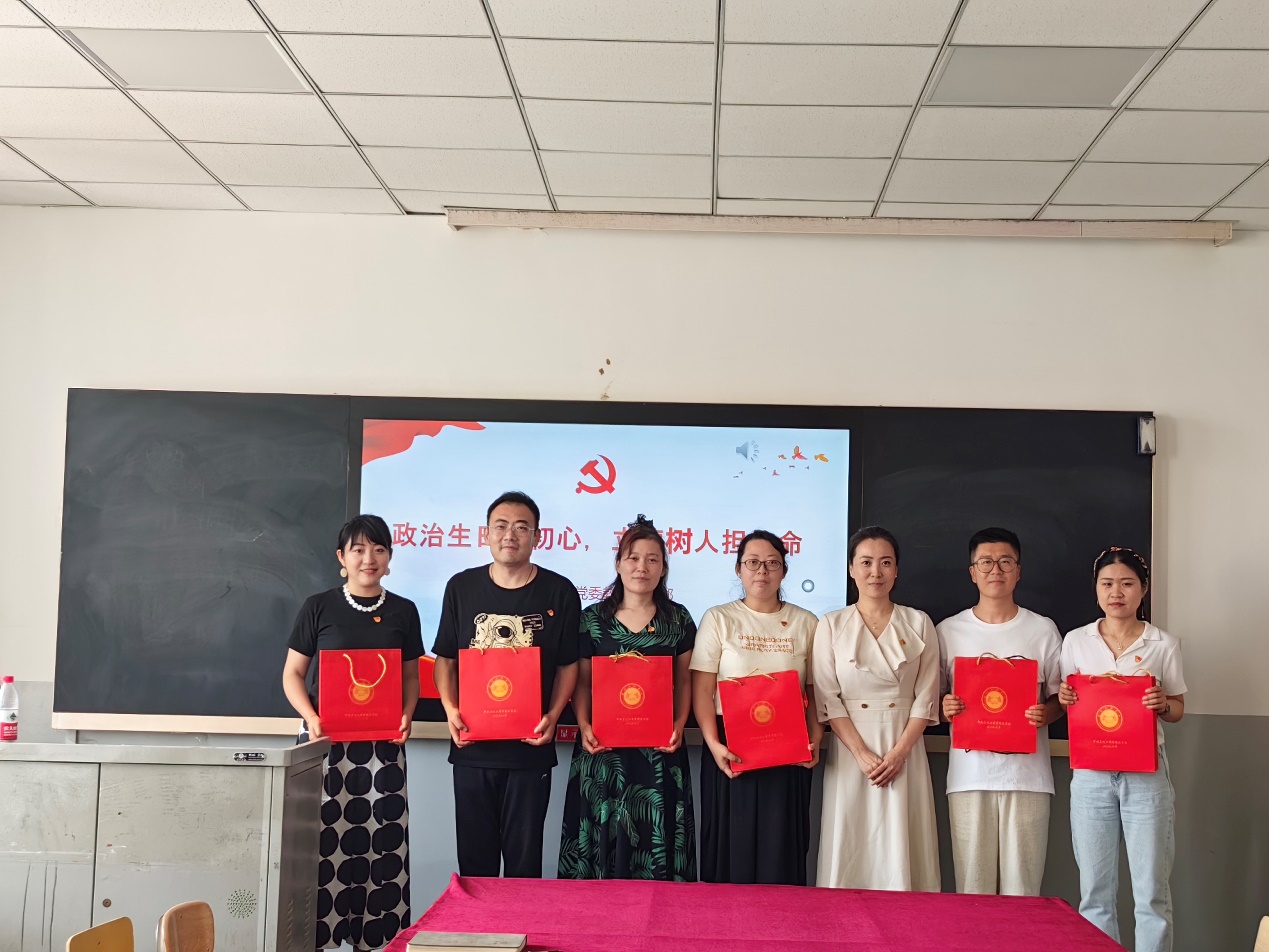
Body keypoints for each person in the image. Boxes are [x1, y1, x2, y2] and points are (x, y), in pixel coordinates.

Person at [282, 514, 422, 951]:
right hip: (326, 745)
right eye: (358, 550)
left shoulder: (404, 610)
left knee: (382, 842)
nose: (369, 558)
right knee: (322, 845)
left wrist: (407, 714)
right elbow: (292, 675)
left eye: (379, 549)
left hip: (383, 748)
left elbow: (411, 678)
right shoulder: (318, 606)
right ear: (341, 558)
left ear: (389, 558)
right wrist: (312, 717)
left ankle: (376, 941)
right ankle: (319, 939)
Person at [432, 491, 581, 878]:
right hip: (472, 749)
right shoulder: (461, 587)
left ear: (537, 536)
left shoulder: (559, 591)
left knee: (524, 867)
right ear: (486, 534)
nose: (509, 535)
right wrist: (450, 709)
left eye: (521, 527)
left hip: (530, 752)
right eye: (500, 526)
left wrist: (553, 715)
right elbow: (446, 660)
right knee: (474, 867)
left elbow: (568, 665)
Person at [1059, 547, 1186, 952]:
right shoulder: (1076, 641)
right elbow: (1068, 697)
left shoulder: (1163, 643)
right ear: (1096, 589)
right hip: (1091, 775)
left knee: (1151, 893)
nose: (1117, 592)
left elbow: (1177, 708)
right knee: (1094, 892)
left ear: (1143, 589)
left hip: (1145, 774)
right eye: (1108, 583)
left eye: (1127, 583)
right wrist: (1064, 696)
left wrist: (1162, 703)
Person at [558, 515, 697, 881]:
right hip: (603, 751)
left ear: (664, 568)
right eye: (633, 558)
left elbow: (685, 681)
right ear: (618, 563)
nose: (642, 567)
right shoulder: (592, 619)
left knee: (656, 840)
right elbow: (582, 683)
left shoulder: (678, 619)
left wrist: (679, 723)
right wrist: (584, 725)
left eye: (652, 559)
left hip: (659, 752)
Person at [690, 529, 821, 885]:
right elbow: (702, 690)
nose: (762, 571)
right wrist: (713, 744)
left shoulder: (807, 622)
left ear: (784, 570)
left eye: (772, 563)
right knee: (732, 850)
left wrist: (816, 738)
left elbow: (816, 690)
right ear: (739, 569)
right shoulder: (719, 619)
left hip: (788, 748)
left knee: (782, 848)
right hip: (730, 748)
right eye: (752, 562)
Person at [813, 526, 940, 891]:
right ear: (851, 568)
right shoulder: (831, 624)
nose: (875, 572)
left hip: (904, 746)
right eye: (866, 562)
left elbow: (926, 696)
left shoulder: (918, 622)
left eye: (885, 563)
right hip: (851, 749)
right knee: (851, 842)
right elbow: (828, 697)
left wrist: (898, 754)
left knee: (902, 844)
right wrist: (861, 753)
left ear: (896, 570)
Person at [938, 527, 1063, 896]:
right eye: (986, 562)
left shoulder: (1043, 630)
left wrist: (1045, 714)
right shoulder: (948, 631)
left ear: (1018, 571)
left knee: (1023, 891)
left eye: (1006, 562)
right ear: (972, 572)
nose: (996, 570)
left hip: (1028, 779)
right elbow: (935, 702)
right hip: (969, 777)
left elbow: (1061, 699)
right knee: (973, 890)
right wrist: (946, 708)